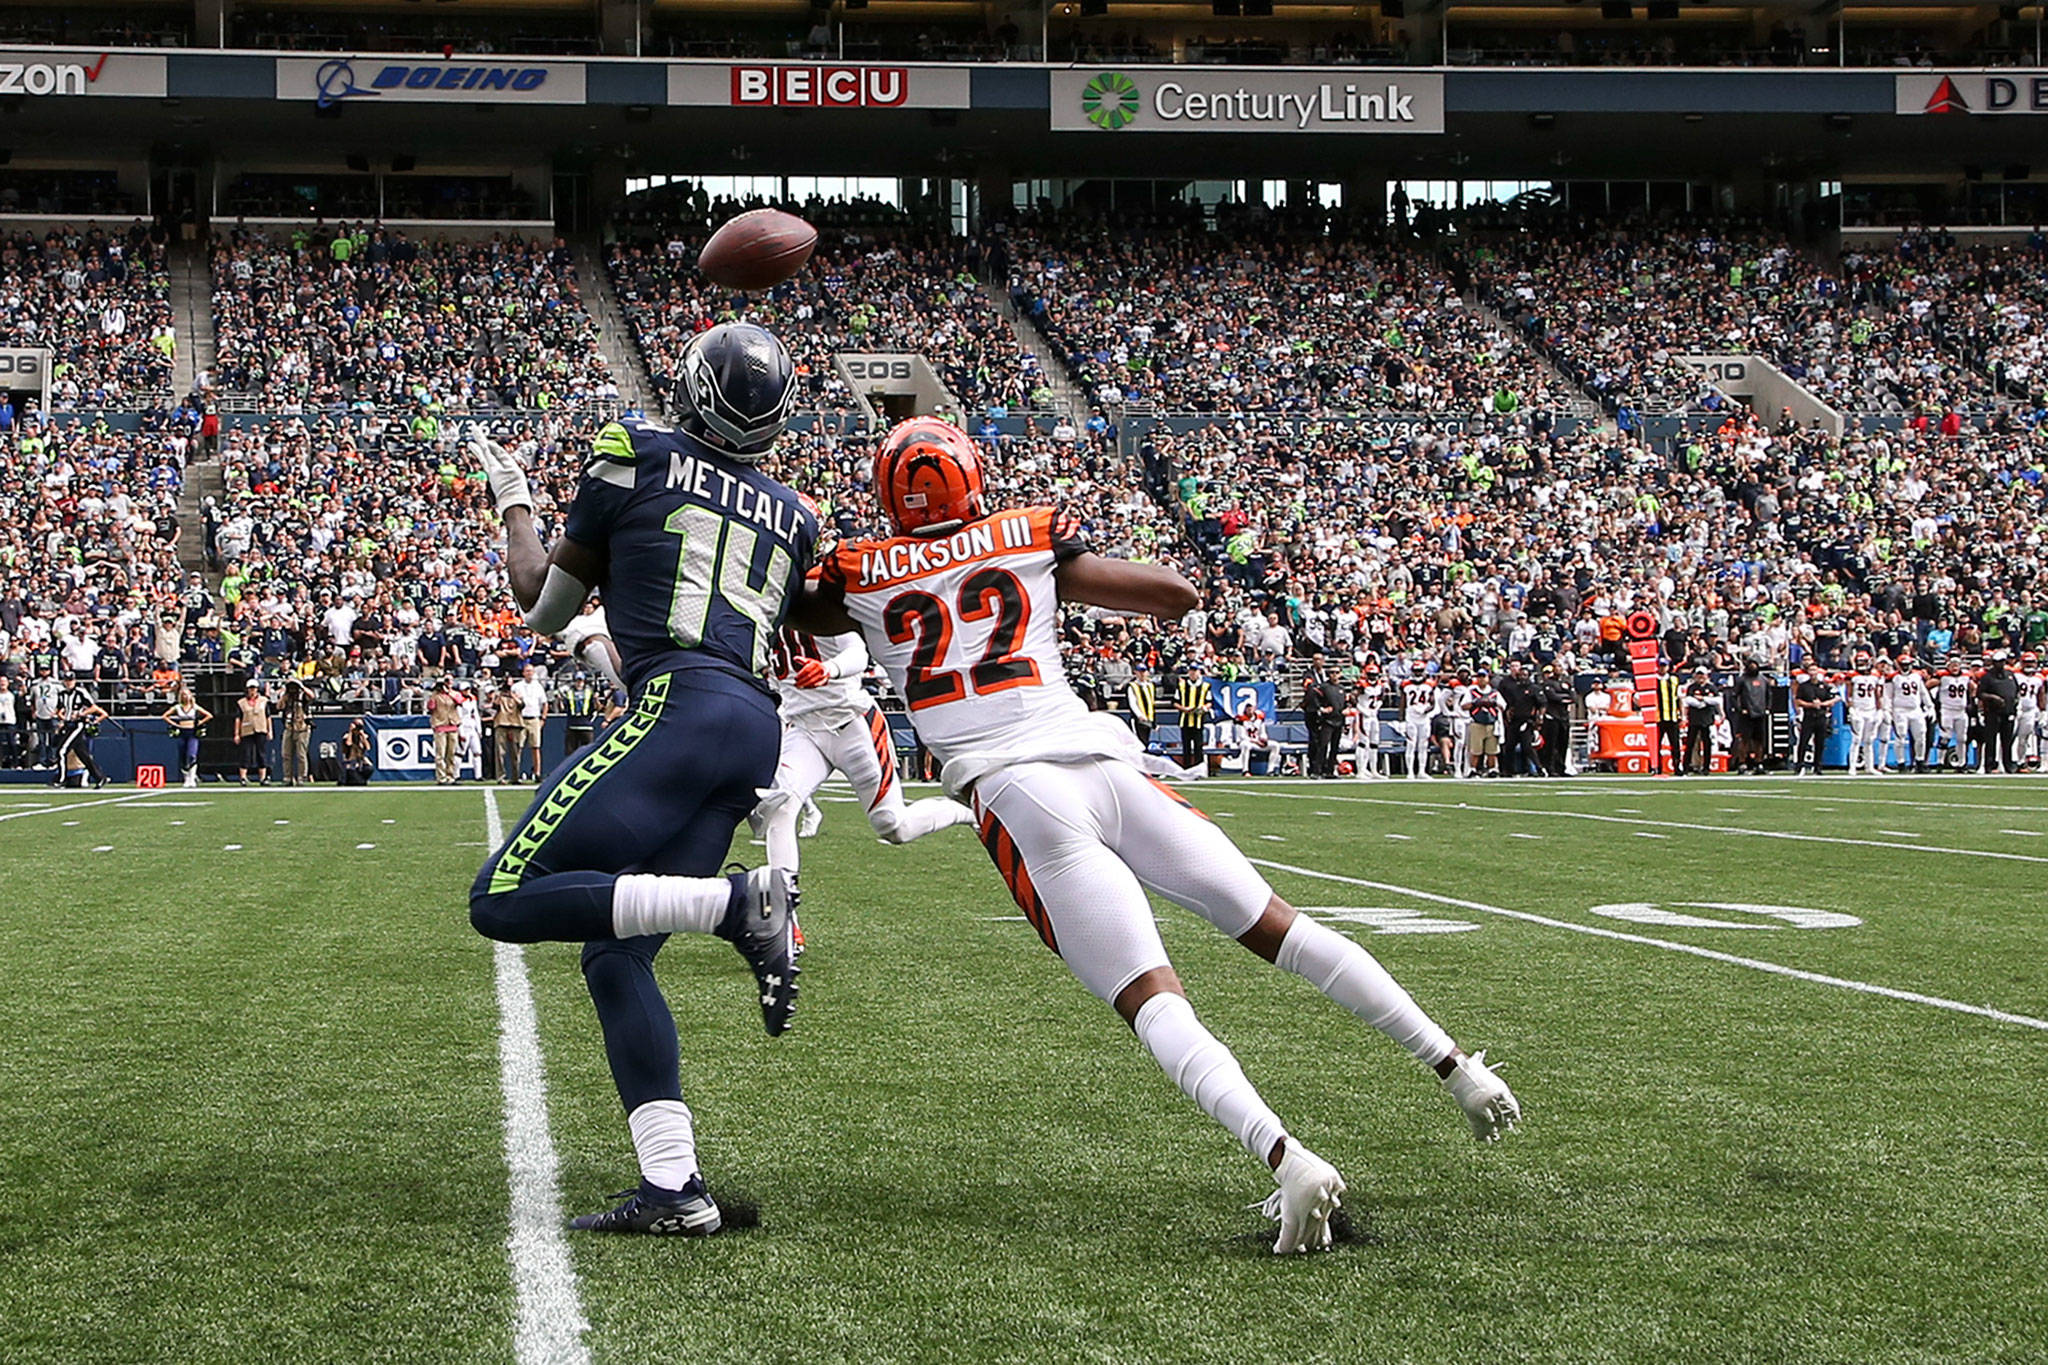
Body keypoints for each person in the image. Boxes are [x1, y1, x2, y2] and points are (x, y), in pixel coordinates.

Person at [802, 419, 1520, 1254]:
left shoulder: (857, 572)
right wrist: (1043, 578)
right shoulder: (1028, 533)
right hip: (1111, 769)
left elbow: (787, 606)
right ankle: (1456, 1065)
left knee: (1151, 996)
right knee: (1280, 925)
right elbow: (1175, 591)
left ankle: (1288, 1159)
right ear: (973, 479)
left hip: (1019, 796)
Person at [465, 323, 814, 1237]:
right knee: (616, 952)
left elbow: (542, 604)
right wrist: (602, 644)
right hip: (750, 726)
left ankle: (740, 905)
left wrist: (513, 505)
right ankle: (676, 1187)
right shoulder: (793, 516)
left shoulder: (634, 452)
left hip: (680, 710)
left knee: (502, 897)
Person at [751, 624, 975, 878]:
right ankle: (783, 906)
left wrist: (829, 669)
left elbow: (857, 652)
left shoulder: (818, 604)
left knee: (893, 826)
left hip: (851, 723)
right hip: (802, 728)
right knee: (780, 805)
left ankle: (964, 812)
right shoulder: (768, 612)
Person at [52, 683, 109, 789]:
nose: (69, 683)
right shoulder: (62, 694)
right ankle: (100, 777)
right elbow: (59, 710)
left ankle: (61, 779)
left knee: (61, 751)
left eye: (71, 680)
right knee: (82, 754)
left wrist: (81, 714)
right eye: (67, 680)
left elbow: (94, 707)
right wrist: (62, 717)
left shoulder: (80, 692)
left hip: (78, 725)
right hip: (68, 725)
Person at [1843, 653, 1889, 775]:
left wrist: (1880, 710)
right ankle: (1852, 767)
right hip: (1858, 710)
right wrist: (1850, 708)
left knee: (1869, 740)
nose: (1860, 665)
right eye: (1859, 662)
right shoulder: (1852, 676)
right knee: (1856, 739)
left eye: (1863, 662)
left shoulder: (1875, 676)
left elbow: (1878, 695)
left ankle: (1869, 767)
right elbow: (1848, 694)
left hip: (1871, 710)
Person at [1885, 660, 1933, 774]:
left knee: (1921, 736)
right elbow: (1888, 696)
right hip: (1900, 710)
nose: (1906, 667)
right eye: (1903, 665)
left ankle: (1920, 761)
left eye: (1907, 665)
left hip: (1915, 710)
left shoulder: (1917, 676)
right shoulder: (1893, 677)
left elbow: (1923, 692)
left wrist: (1929, 706)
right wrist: (1888, 710)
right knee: (1900, 737)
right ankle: (1901, 763)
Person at [1301, 657, 1345, 779]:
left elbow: (1345, 704)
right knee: (1322, 746)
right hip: (1327, 721)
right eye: (1332, 672)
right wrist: (1321, 709)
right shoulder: (1324, 687)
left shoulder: (1342, 689)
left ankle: (1330, 771)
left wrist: (1346, 711)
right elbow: (1312, 695)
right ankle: (1317, 770)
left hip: (1339, 720)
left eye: (1336, 672)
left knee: (1335, 748)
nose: (1334, 675)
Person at [1976, 653, 2020, 774]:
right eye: (1997, 662)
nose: (2000, 664)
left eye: (2002, 661)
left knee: (2007, 740)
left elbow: (2016, 691)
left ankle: (2008, 764)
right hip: (1993, 712)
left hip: (2008, 711)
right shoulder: (1987, 677)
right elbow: (1980, 694)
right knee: (1991, 740)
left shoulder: (2010, 675)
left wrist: (2014, 702)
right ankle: (1990, 764)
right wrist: (1992, 698)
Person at [162, 686, 212, 788]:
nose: (185, 696)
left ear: (190, 696)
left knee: (192, 755)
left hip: (192, 733)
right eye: (183, 694)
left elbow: (209, 715)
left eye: (187, 694)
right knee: (183, 756)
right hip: (182, 732)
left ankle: (192, 778)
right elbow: (164, 716)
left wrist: (199, 723)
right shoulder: (177, 707)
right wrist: (175, 725)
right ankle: (186, 779)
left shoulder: (194, 707)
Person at [1730, 660, 1771, 775]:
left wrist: (1767, 708)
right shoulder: (1742, 680)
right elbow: (1733, 696)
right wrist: (1740, 709)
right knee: (1744, 739)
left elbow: (1769, 695)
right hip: (1747, 714)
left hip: (1760, 713)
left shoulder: (1764, 680)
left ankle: (1759, 763)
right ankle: (1742, 764)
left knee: (1760, 740)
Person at [1792, 666, 1834, 775]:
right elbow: (1798, 701)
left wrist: (1822, 704)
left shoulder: (1824, 685)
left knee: (1820, 742)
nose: (1813, 673)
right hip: (1809, 716)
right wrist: (1811, 705)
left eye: (1815, 670)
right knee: (1803, 741)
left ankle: (1818, 766)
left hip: (1821, 716)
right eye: (1811, 670)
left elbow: (1833, 699)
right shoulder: (1804, 686)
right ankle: (1800, 765)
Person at [512, 664, 549, 782]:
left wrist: (543, 718)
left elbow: (545, 703)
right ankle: (516, 773)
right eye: (527, 671)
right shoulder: (517, 686)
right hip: (521, 719)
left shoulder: (538, 687)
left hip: (534, 718)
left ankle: (537, 773)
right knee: (518, 747)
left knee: (536, 747)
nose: (529, 673)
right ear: (523, 673)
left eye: (531, 671)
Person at [1683, 666, 1720, 774]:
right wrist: (1702, 703)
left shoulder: (1711, 687)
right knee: (1690, 743)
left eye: (1702, 675)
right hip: (1694, 719)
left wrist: (1703, 699)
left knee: (1707, 744)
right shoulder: (1692, 687)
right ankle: (1687, 766)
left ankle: (1706, 767)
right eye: (1698, 675)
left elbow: (1717, 700)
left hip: (1707, 720)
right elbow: (1689, 700)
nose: (1701, 677)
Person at [234, 681, 272, 786]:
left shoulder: (264, 701)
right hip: (247, 730)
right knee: (246, 754)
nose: (252, 690)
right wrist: (237, 733)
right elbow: (238, 719)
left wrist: (270, 731)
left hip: (261, 729)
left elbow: (268, 717)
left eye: (254, 688)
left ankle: (263, 778)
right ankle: (242, 777)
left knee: (261, 754)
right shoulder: (241, 703)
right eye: (250, 688)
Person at [279, 678, 315, 786]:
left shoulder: (303, 696)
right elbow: (279, 707)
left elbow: (312, 696)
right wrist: (284, 696)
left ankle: (301, 777)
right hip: (289, 727)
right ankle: (287, 777)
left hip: (302, 727)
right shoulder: (287, 697)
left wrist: (302, 687)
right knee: (286, 754)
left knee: (301, 754)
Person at [429, 675, 463, 785]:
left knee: (451, 753)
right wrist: (435, 692)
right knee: (440, 753)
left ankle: (451, 776)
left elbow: (460, 701)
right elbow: (430, 707)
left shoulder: (454, 693)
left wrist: (449, 692)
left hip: (452, 724)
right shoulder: (435, 696)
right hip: (440, 725)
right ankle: (441, 777)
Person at [1175, 670, 1210, 770]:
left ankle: (1198, 768)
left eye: (1195, 671)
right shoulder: (1182, 686)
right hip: (1185, 720)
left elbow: (1209, 701)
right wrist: (1184, 709)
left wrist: (1204, 708)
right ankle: (1186, 768)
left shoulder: (1205, 686)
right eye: (1191, 671)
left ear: (1199, 672)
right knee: (1186, 746)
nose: (1193, 674)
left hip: (1198, 720)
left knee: (1198, 746)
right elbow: (1175, 702)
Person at [1653, 659, 1684, 776]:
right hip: (1657, 718)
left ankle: (1677, 767)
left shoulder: (1674, 680)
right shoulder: (1653, 680)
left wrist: (1682, 714)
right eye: (1660, 666)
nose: (1662, 668)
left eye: (1664, 666)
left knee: (1675, 745)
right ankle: (1657, 767)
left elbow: (1679, 698)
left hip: (1672, 716)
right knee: (1656, 745)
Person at [490, 681, 524, 783]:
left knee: (515, 752)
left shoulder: (517, 695)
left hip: (515, 724)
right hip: (501, 723)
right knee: (500, 752)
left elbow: (522, 705)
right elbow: (495, 706)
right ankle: (501, 776)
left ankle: (515, 776)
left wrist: (513, 696)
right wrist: (500, 694)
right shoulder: (499, 696)